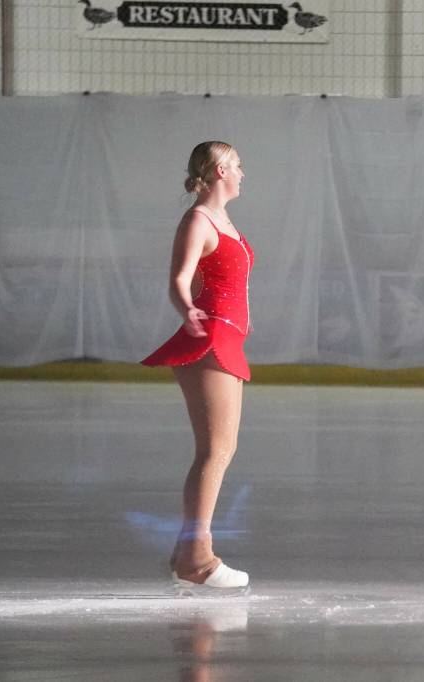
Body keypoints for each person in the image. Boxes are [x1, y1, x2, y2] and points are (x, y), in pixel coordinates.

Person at [142, 141, 253, 590]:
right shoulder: (199, 220)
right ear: (221, 168)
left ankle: (186, 553)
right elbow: (179, 277)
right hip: (210, 340)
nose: (244, 173)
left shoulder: (223, 220)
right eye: (239, 165)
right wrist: (186, 308)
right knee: (215, 451)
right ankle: (197, 559)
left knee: (221, 450)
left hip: (227, 339)